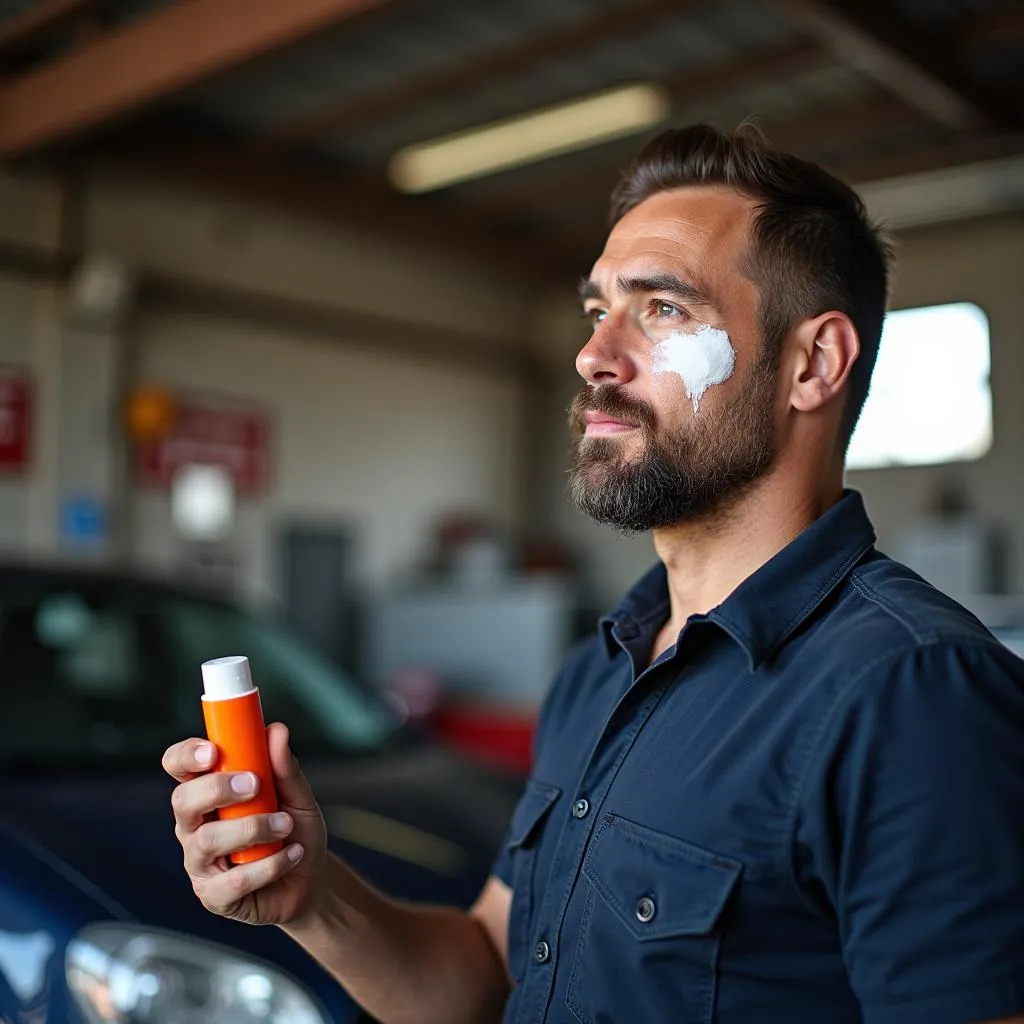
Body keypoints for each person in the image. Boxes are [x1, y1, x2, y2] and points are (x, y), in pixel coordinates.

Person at [163, 124, 1024, 1024]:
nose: (593, 356)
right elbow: (483, 977)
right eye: (596, 311)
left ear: (813, 363)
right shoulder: (601, 671)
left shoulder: (915, 693)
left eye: (662, 310)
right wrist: (315, 897)